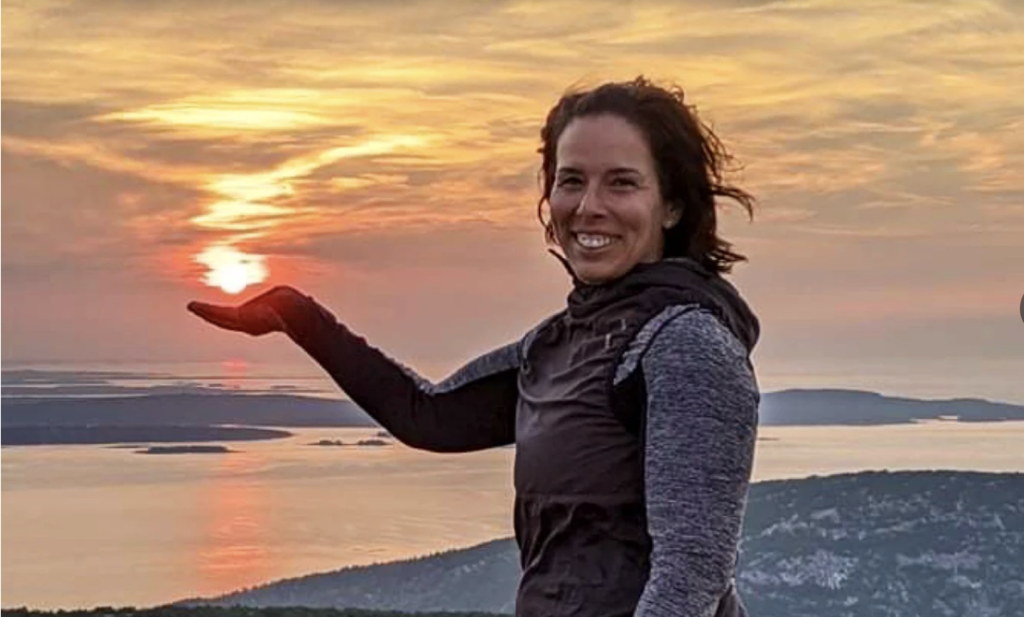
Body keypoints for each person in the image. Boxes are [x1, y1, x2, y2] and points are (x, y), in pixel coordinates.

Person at [189, 76, 761, 617]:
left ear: (671, 205)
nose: (589, 205)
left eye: (621, 182)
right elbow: (430, 416)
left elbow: (691, 575)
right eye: (571, 180)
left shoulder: (685, 344)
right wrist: (297, 316)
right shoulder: (555, 345)